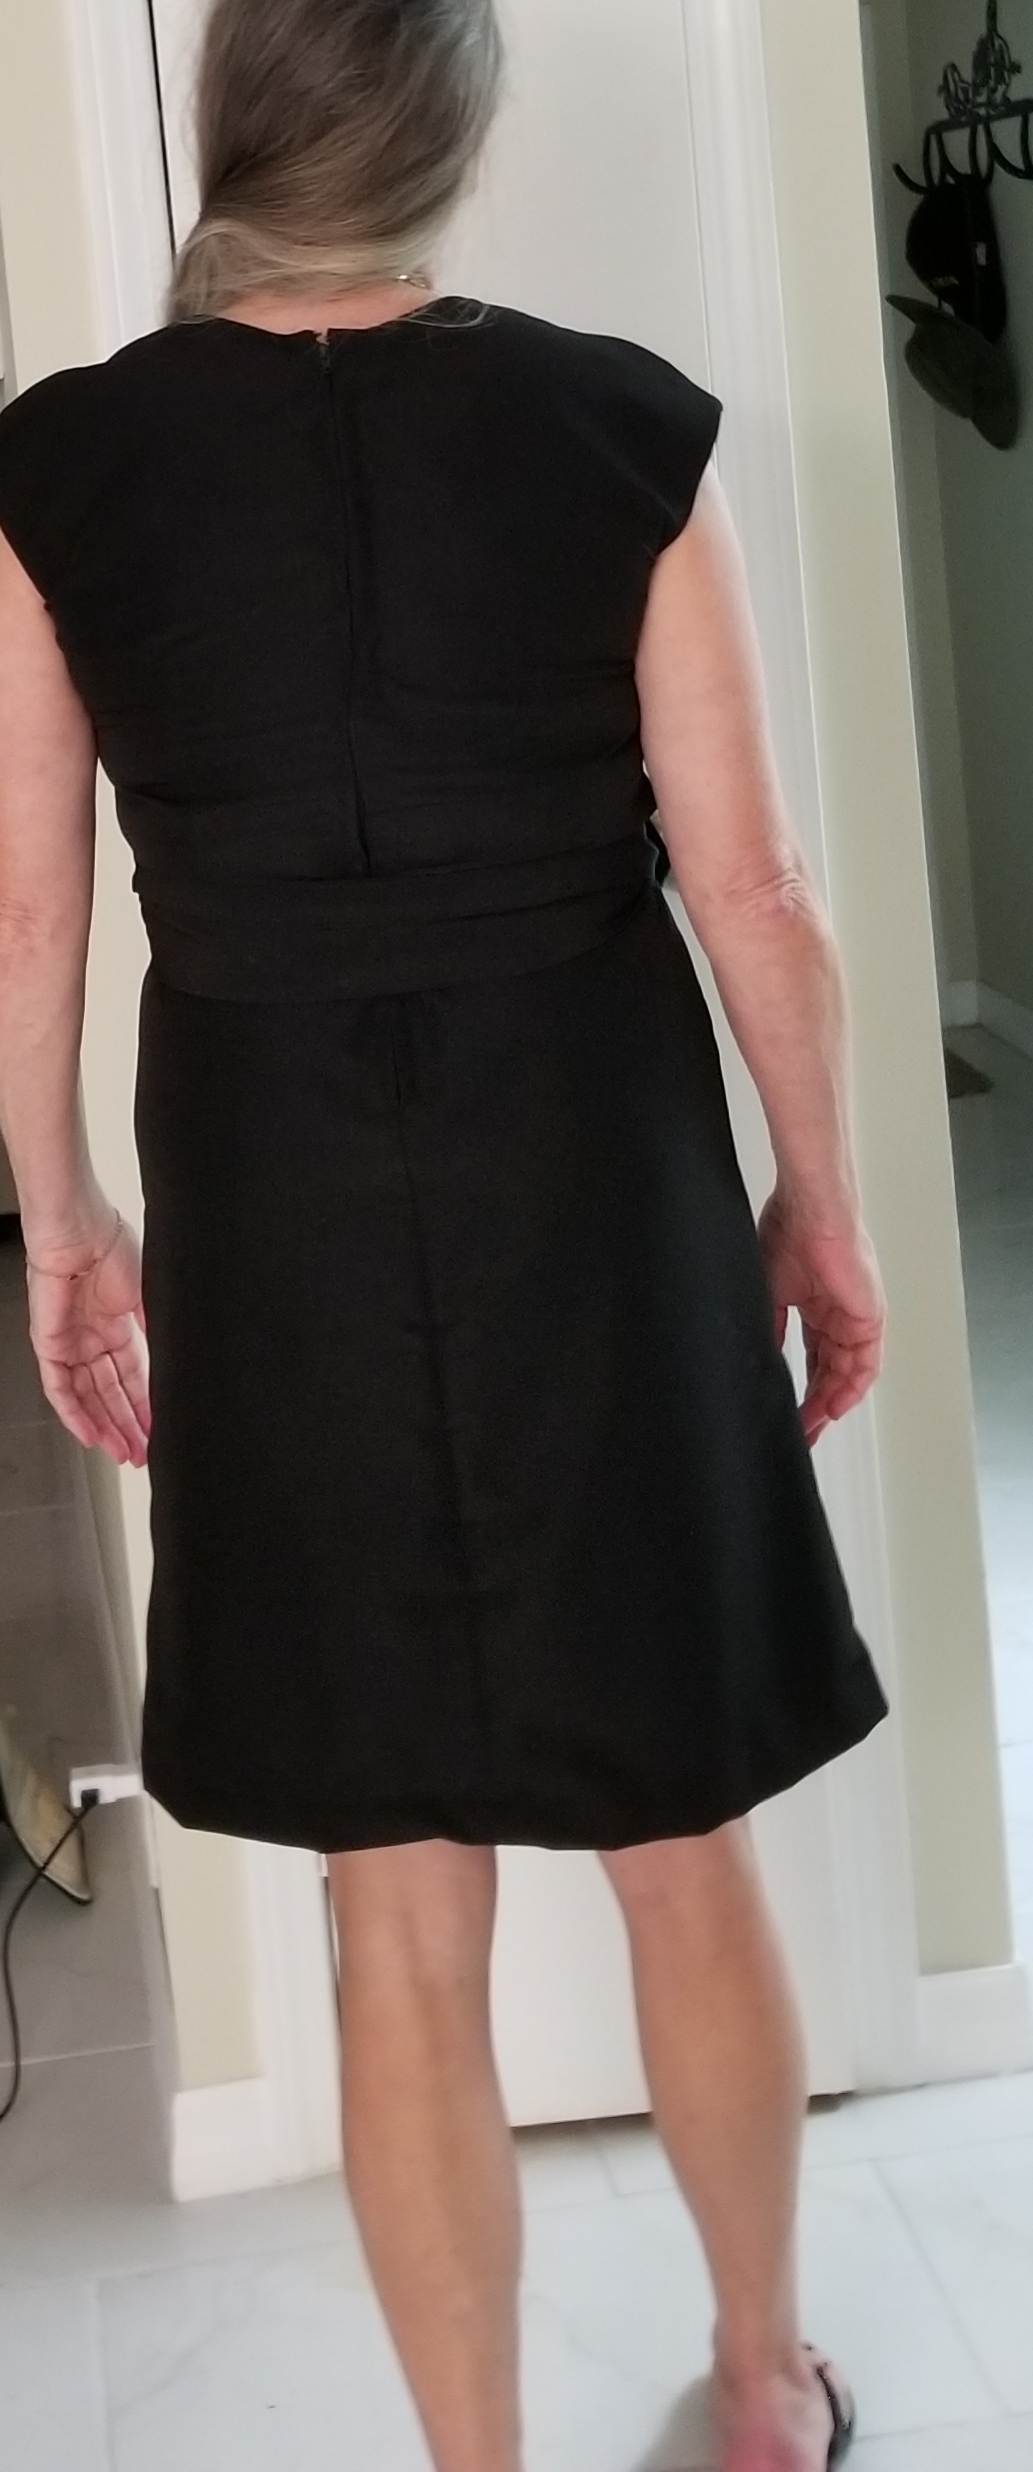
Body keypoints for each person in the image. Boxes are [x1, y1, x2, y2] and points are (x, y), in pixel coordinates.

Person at [0, 2, 888, 2466]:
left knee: (393, 1916)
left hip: (271, 1199)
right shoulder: (616, 430)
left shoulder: (64, 465)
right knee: (682, 1846)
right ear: (446, 140)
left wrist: (63, 1219)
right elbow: (756, 895)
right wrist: (818, 1209)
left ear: (236, 131)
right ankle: (762, 2393)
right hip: (597, 1195)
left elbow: (28, 914)